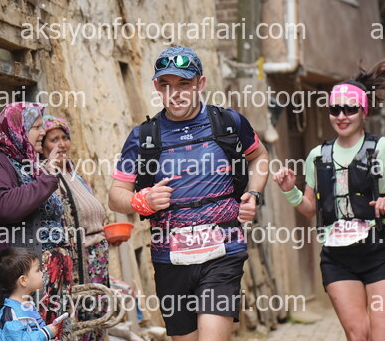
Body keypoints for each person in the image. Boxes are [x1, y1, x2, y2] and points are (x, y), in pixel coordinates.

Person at [108, 46, 269, 341]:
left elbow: (259, 156)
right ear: (157, 87)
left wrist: (254, 193)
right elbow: (116, 194)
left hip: (223, 254)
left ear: (200, 83)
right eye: (166, 84)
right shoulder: (143, 137)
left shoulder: (229, 123)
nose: (175, 93)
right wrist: (141, 200)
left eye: (184, 83)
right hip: (170, 260)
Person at [274, 60, 385, 341]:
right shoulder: (318, 155)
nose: (341, 116)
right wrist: (290, 191)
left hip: (380, 252)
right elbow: (310, 208)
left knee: (381, 335)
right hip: (337, 257)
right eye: (335, 109)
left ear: (364, 111)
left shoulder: (383, 148)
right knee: (357, 333)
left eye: (350, 109)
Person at [0, 102, 73, 340]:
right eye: (36, 127)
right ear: (17, 130)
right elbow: (3, 207)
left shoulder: (25, 161)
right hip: (21, 278)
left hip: (43, 276)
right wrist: (46, 179)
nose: (42, 132)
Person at [41, 115, 109, 341]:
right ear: (42, 146)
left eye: (64, 137)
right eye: (54, 140)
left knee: (98, 315)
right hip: (77, 258)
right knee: (80, 316)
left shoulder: (75, 175)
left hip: (96, 254)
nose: (61, 144)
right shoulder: (46, 176)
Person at [0, 247, 60, 341]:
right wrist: (46, 333)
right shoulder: (12, 313)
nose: (42, 274)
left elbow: (31, 332)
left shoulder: (27, 305)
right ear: (23, 280)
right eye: (37, 270)